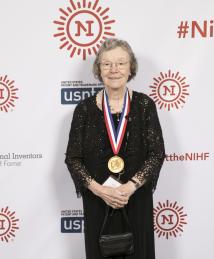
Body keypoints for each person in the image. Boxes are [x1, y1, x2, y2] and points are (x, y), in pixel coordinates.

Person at [65, 38, 165, 259]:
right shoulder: (83, 110)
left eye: (121, 63)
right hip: (99, 201)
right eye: (106, 64)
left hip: (135, 198)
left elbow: (157, 154)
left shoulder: (145, 105)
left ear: (131, 68)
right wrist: (101, 191)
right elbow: (73, 158)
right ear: (98, 69)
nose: (114, 70)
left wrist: (129, 188)